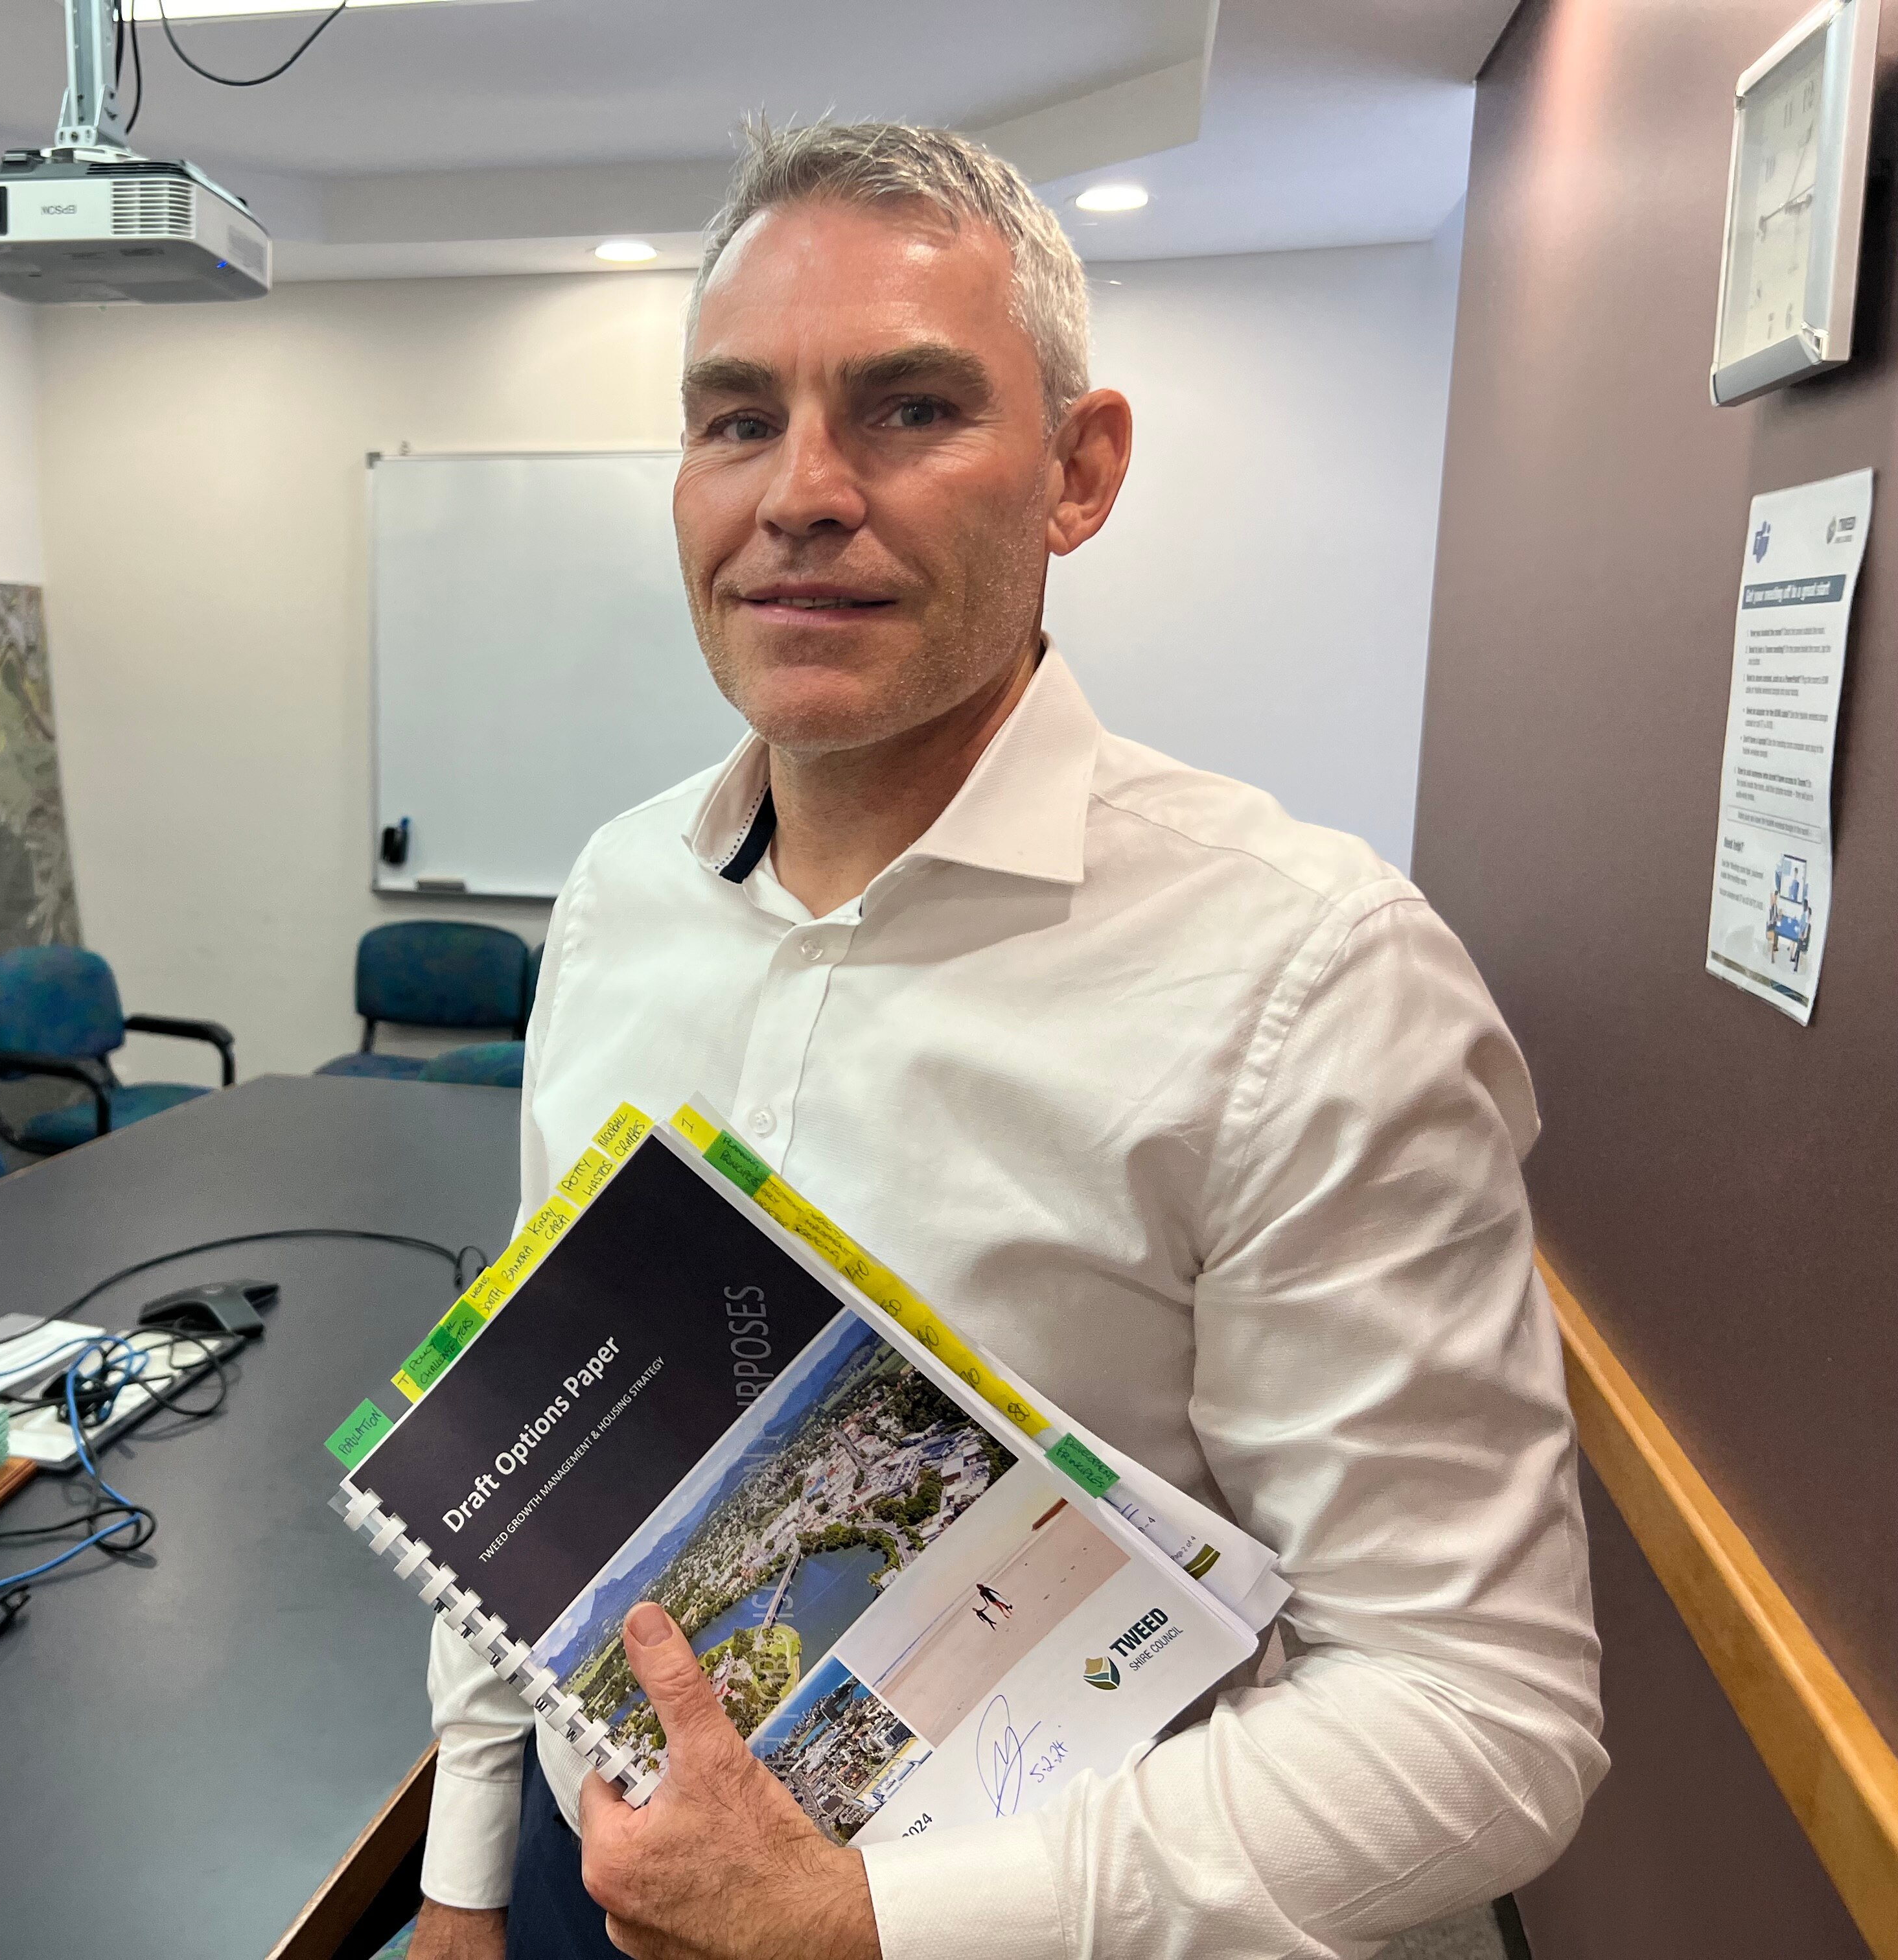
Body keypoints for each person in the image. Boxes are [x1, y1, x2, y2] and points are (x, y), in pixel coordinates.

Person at [408, 119, 1603, 1960]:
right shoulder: (616, 894)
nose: (799, 491)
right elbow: (544, 1448)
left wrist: (867, 1918)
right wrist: (470, 1872)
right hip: (604, 1885)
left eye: (905, 410)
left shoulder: (1313, 979)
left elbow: (1478, 1721)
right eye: (736, 418)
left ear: (1079, 470)